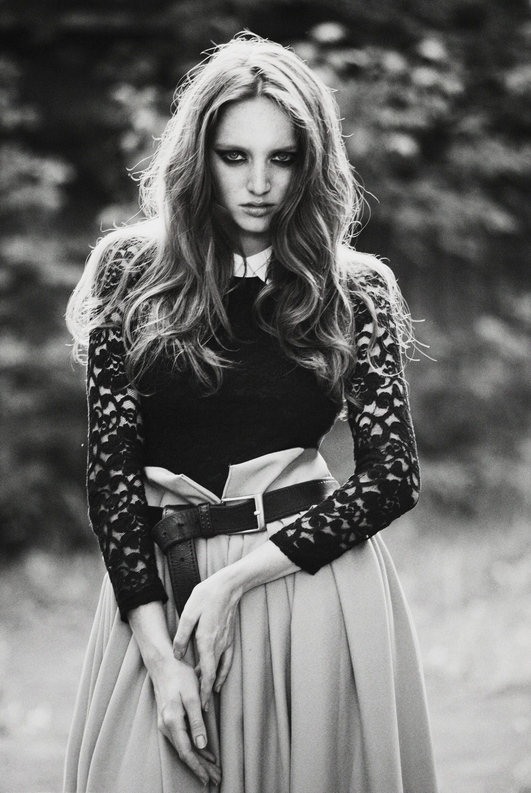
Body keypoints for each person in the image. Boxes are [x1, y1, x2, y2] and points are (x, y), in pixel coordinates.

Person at [64, 33, 438, 793]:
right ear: (198, 158)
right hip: (157, 602)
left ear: (312, 163)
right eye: (234, 156)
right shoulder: (128, 272)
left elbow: (391, 478)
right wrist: (160, 655)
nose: (259, 183)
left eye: (282, 158)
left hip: (306, 588)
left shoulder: (354, 288)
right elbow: (111, 478)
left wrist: (232, 582)